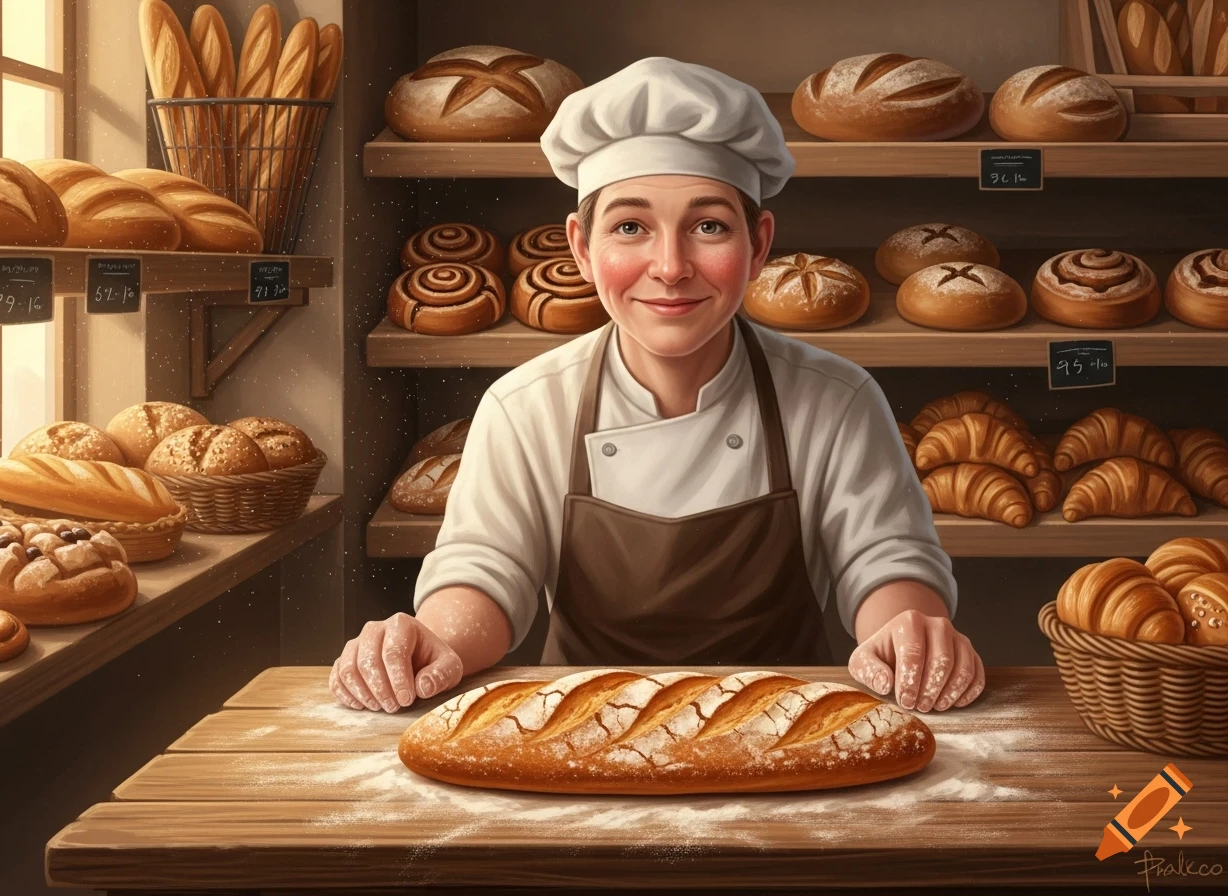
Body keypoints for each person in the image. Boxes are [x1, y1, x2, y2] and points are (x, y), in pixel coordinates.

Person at [332, 57, 985, 715]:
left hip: (786, 734)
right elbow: (485, 568)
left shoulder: (837, 400)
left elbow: (885, 561)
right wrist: (435, 640)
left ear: (758, 246)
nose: (670, 268)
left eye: (708, 227)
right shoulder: (525, 405)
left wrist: (909, 631)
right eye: (630, 227)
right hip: (577, 735)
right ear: (582, 248)